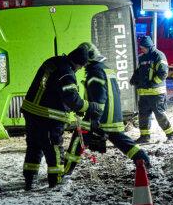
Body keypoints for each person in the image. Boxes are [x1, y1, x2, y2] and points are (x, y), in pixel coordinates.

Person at [64, 43, 151, 176]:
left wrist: (94, 119)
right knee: (120, 140)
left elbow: (99, 98)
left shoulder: (95, 72)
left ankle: (65, 170)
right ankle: (142, 158)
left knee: (78, 137)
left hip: (101, 117)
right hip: (112, 115)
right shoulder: (105, 69)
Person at [21, 43, 89, 190]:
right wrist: (86, 106)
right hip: (48, 116)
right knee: (54, 149)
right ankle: (55, 180)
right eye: (82, 66)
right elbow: (72, 98)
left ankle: (29, 179)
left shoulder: (53, 61)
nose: (80, 69)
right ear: (78, 63)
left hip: (30, 111)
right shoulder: (67, 73)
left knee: (34, 146)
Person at [133, 35, 173, 143]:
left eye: (142, 47)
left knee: (160, 115)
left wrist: (152, 83)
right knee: (143, 116)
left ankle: (171, 135)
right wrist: (134, 79)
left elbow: (163, 73)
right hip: (144, 93)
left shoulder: (159, 56)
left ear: (147, 46)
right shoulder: (142, 57)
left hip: (157, 93)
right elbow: (138, 72)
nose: (141, 49)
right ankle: (144, 137)